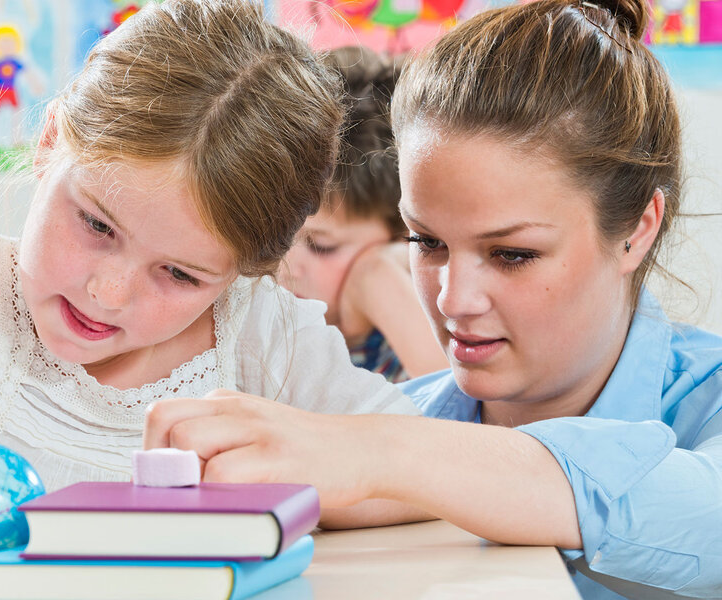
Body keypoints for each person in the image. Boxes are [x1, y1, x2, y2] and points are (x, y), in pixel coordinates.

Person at [142, 0, 722, 596]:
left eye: (512, 255)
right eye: (427, 241)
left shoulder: (383, 444)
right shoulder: (389, 425)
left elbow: (706, 512)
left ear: (638, 229)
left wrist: (382, 455)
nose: (454, 299)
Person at [0, 0, 421, 497]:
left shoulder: (265, 342)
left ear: (245, 271)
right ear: (49, 142)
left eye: (180, 274)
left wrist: (308, 476)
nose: (109, 294)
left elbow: (444, 471)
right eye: (97, 224)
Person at [279, 45, 447, 382]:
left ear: (407, 236)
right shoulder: (258, 324)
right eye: (275, 234)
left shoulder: (418, 339)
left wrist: (376, 279)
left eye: (321, 246)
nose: (284, 264)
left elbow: (464, 422)